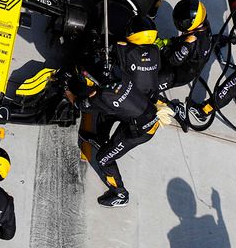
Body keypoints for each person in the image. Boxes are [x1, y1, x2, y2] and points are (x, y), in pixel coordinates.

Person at [66, 61, 171, 208]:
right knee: (106, 115)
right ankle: (100, 141)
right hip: (142, 112)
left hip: (139, 132)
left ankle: (120, 194)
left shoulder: (103, 97)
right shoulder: (118, 72)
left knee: (103, 159)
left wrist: (67, 90)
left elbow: (78, 104)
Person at [157, 0, 212, 127]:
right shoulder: (204, 24)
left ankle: (175, 108)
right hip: (191, 63)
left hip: (177, 74)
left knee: (146, 89)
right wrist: (170, 42)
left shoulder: (190, 43)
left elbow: (173, 60)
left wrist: (162, 47)